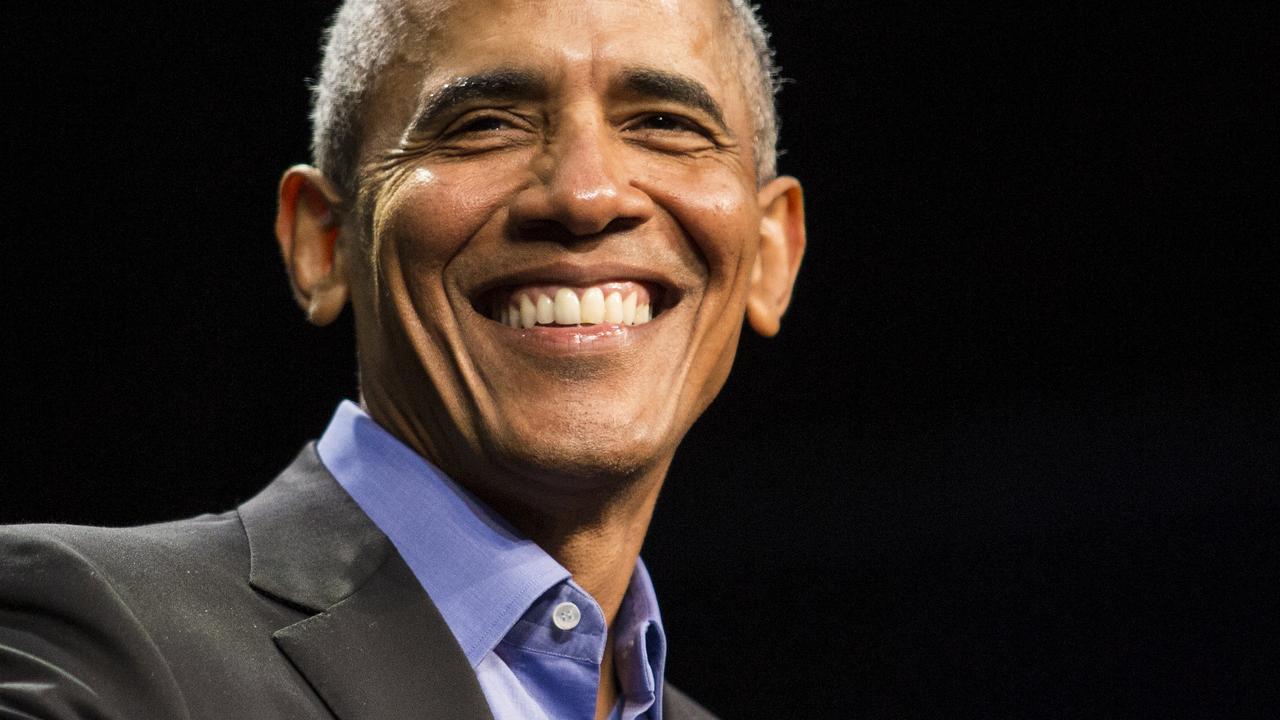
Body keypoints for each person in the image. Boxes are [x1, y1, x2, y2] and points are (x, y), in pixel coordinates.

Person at [0, 0, 805, 717]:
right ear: (322, 243)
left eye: (665, 124)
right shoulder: (86, 640)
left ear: (771, 256)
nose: (586, 196)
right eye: (485, 121)